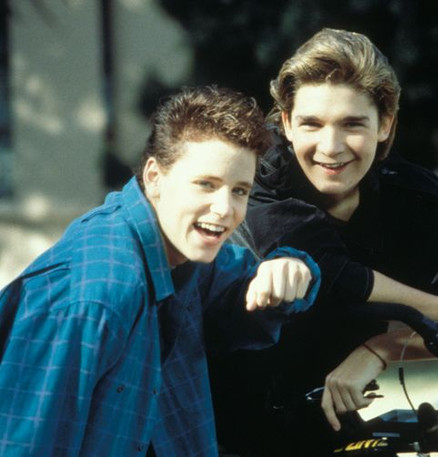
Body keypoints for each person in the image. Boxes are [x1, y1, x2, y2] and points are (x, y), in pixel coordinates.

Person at [207, 28, 438, 456]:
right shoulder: (259, 185)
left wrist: (382, 348)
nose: (331, 146)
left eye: (352, 124)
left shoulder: (405, 195)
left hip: (321, 413)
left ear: (385, 125)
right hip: (217, 423)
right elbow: (335, 275)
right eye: (311, 124)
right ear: (285, 123)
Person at [0, 86, 320, 456]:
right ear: (154, 176)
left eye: (239, 191)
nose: (224, 209)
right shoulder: (97, 293)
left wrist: (291, 265)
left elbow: (248, 295)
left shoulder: (185, 252)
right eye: (206, 184)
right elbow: (25, 445)